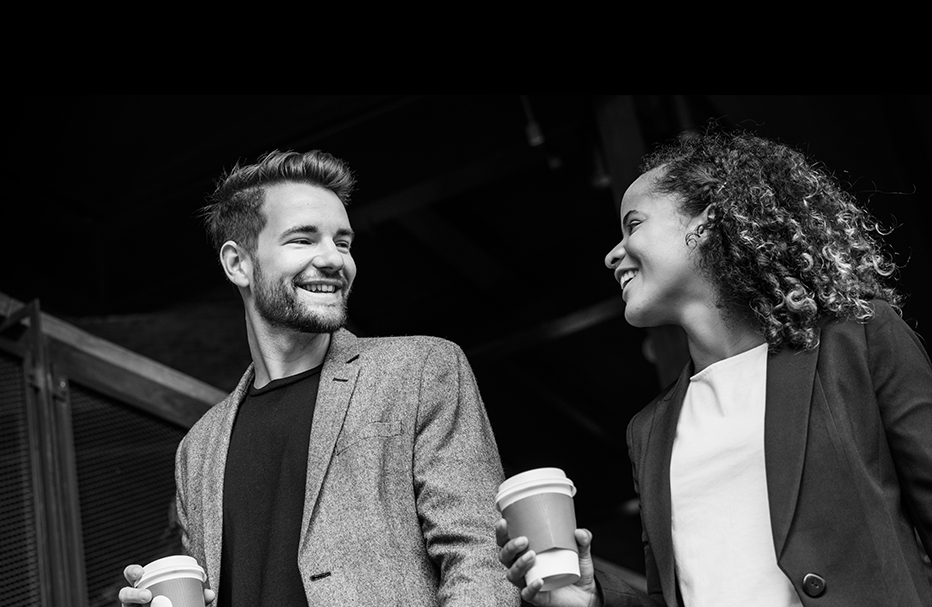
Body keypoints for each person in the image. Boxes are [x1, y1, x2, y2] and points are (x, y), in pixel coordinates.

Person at [496, 128, 932, 606]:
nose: (612, 253)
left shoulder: (858, 342)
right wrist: (591, 599)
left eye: (633, 225)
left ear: (704, 224)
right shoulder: (650, 431)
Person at [118, 149, 518, 607]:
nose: (334, 260)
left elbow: (483, 559)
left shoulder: (422, 368)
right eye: (303, 240)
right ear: (238, 264)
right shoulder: (198, 449)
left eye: (343, 243)